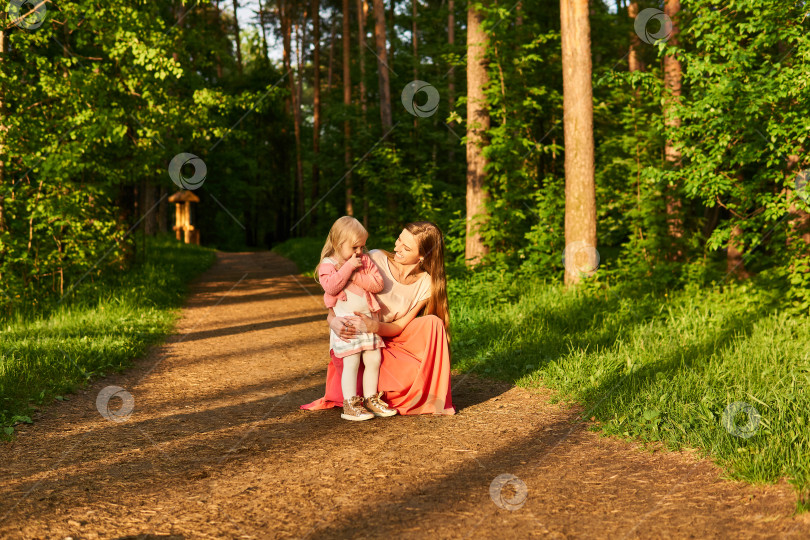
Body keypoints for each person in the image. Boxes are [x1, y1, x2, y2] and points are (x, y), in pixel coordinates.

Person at [302, 221, 455, 415]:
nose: (396, 248)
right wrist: (333, 322)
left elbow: (400, 326)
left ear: (423, 255)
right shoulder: (373, 258)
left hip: (384, 340)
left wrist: (373, 326)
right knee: (369, 367)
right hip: (356, 339)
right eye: (399, 240)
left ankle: (394, 393)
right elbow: (340, 300)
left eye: (406, 248)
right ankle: (366, 395)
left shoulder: (427, 283)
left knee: (433, 323)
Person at [316, 216, 398, 421]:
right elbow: (331, 287)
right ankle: (351, 404)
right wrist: (348, 268)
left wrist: (355, 274)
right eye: (354, 247)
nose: (359, 252)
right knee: (351, 362)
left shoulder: (364, 261)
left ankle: (371, 399)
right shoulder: (328, 264)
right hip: (347, 323)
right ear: (338, 243)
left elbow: (377, 284)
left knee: (374, 359)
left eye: (361, 247)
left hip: (368, 320)